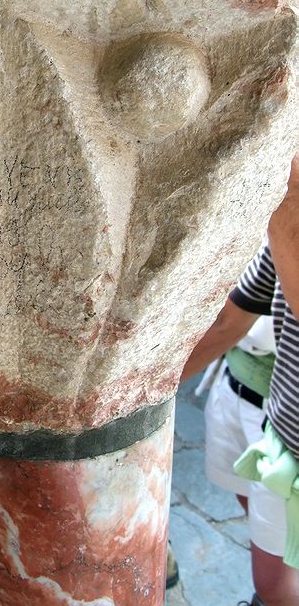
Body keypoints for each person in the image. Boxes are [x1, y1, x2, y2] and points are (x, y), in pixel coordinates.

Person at [182, 157, 299, 606]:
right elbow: (231, 319)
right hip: (274, 428)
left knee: (274, 585)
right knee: (268, 546)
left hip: (284, 435)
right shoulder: (280, 231)